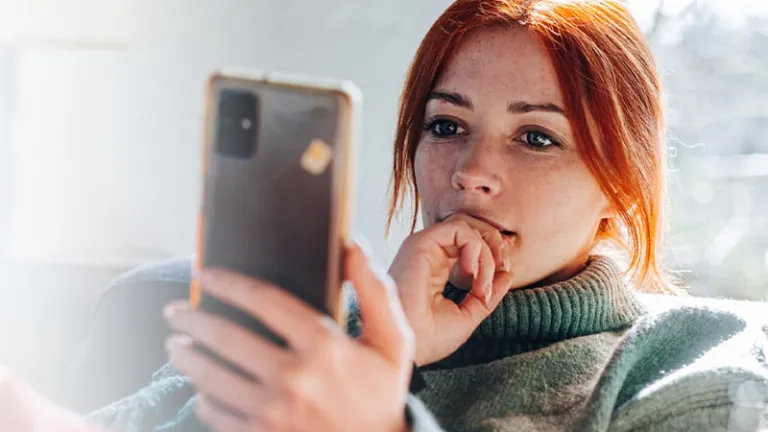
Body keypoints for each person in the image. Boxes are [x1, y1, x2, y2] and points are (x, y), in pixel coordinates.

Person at [88, 0, 768, 431]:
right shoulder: (331, 331)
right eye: (445, 126)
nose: (471, 170)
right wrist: (384, 351)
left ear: (623, 186)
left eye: (536, 138)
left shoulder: (695, 368)